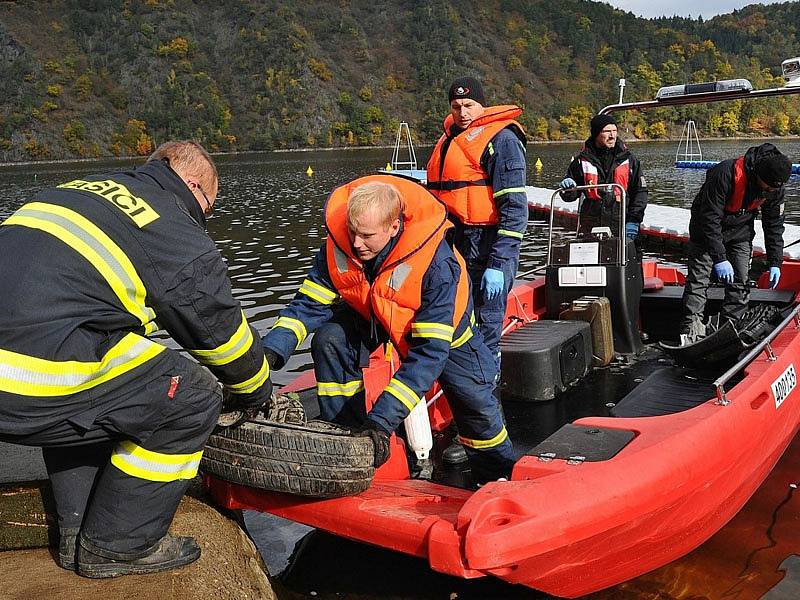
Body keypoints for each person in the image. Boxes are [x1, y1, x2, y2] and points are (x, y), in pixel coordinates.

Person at [0, 141, 272, 578]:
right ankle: (118, 546)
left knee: (102, 388)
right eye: (207, 209)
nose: (203, 221)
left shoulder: (76, 190)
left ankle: (77, 532)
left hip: (28, 358)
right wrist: (257, 389)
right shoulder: (167, 220)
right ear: (194, 186)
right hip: (29, 375)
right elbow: (220, 333)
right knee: (193, 395)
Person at [262, 176, 515, 485]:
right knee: (331, 339)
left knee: (477, 408)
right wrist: (270, 352)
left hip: (447, 338)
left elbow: (428, 356)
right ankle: (349, 440)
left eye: (366, 236)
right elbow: (308, 304)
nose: (356, 244)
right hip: (375, 315)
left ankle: (497, 477)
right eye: (353, 232)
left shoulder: (437, 265)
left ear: (394, 227)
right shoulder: (341, 244)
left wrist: (382, 421)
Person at [426, 76, 528, 377]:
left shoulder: (503, 140)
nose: (463, 112)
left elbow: (514, 208)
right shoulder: (448, 140)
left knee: (487, 320)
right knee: (457, 313)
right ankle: (460, 378)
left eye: (469, 105)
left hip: (488, 242)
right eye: (456, 106)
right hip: (453, 241)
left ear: (481, 105)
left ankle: (486, 384)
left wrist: (499, 262)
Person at [680, 143, 791, 342]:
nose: (768, 191)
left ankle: (730, 329)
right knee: (698, 281)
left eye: (773, 189)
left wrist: (775, 262)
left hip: (740, 231)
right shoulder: (724, 173)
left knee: (740, 282)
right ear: (758, 175)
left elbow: (774, 225)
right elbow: (709, 218)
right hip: (706, 230)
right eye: (766, 187)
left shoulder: (775, 189)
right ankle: (691, 331)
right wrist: (720, 258)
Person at [559, 114, 648, 240]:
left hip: (622, 223)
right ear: (596, 134)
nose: (612, 135)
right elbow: (570, 197)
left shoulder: (629, 160)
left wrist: (634, 220)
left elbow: (640, 192)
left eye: (615, 131)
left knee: (628, 257)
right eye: (607, 131)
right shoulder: (582, 161)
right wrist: (568, 188)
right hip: (590, 226)